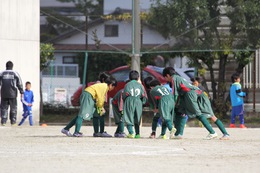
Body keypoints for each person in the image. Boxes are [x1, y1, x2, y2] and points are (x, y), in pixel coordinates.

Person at [163, 67, 229, 140]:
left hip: (190, 94)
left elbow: (175, 95)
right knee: (181, 111)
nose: (166, 80)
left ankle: (212, 132)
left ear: (168, 75)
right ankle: (226, 134)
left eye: (165, 78)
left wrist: (173, 105)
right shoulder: (179, 78)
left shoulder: (174, 78)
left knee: (198, 114)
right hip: (199, 93)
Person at [123, 70, 147, 139]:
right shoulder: (140, 85)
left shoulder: (127, 85)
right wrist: (142, 103)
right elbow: (143, 95)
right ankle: (137, 134)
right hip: (138, 101)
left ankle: (131, 133)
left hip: (129, 100)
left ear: (129, 78)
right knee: (137, 118)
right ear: (138, 77)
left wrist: (125, 101)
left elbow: (124, 95)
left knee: (128, 117)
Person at [0, 61, 24, 126]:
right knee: (13, 108)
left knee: (4, 108)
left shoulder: (2, 73)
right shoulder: (15, 73)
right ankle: (13, 122)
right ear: (12, 66)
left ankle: (3, 121)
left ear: (6, 66)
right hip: (13, 94)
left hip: (3, 93)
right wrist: (21, 91)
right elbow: (19, 83)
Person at [92, 71, 113, 137]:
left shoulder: (103, 84)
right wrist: (101, 106)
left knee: (101, 116)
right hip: (98, 102)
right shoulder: (99, 84)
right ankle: (98, 132)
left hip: (100, 102)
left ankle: (100, 131)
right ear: (104, 79)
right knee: (97, 116)